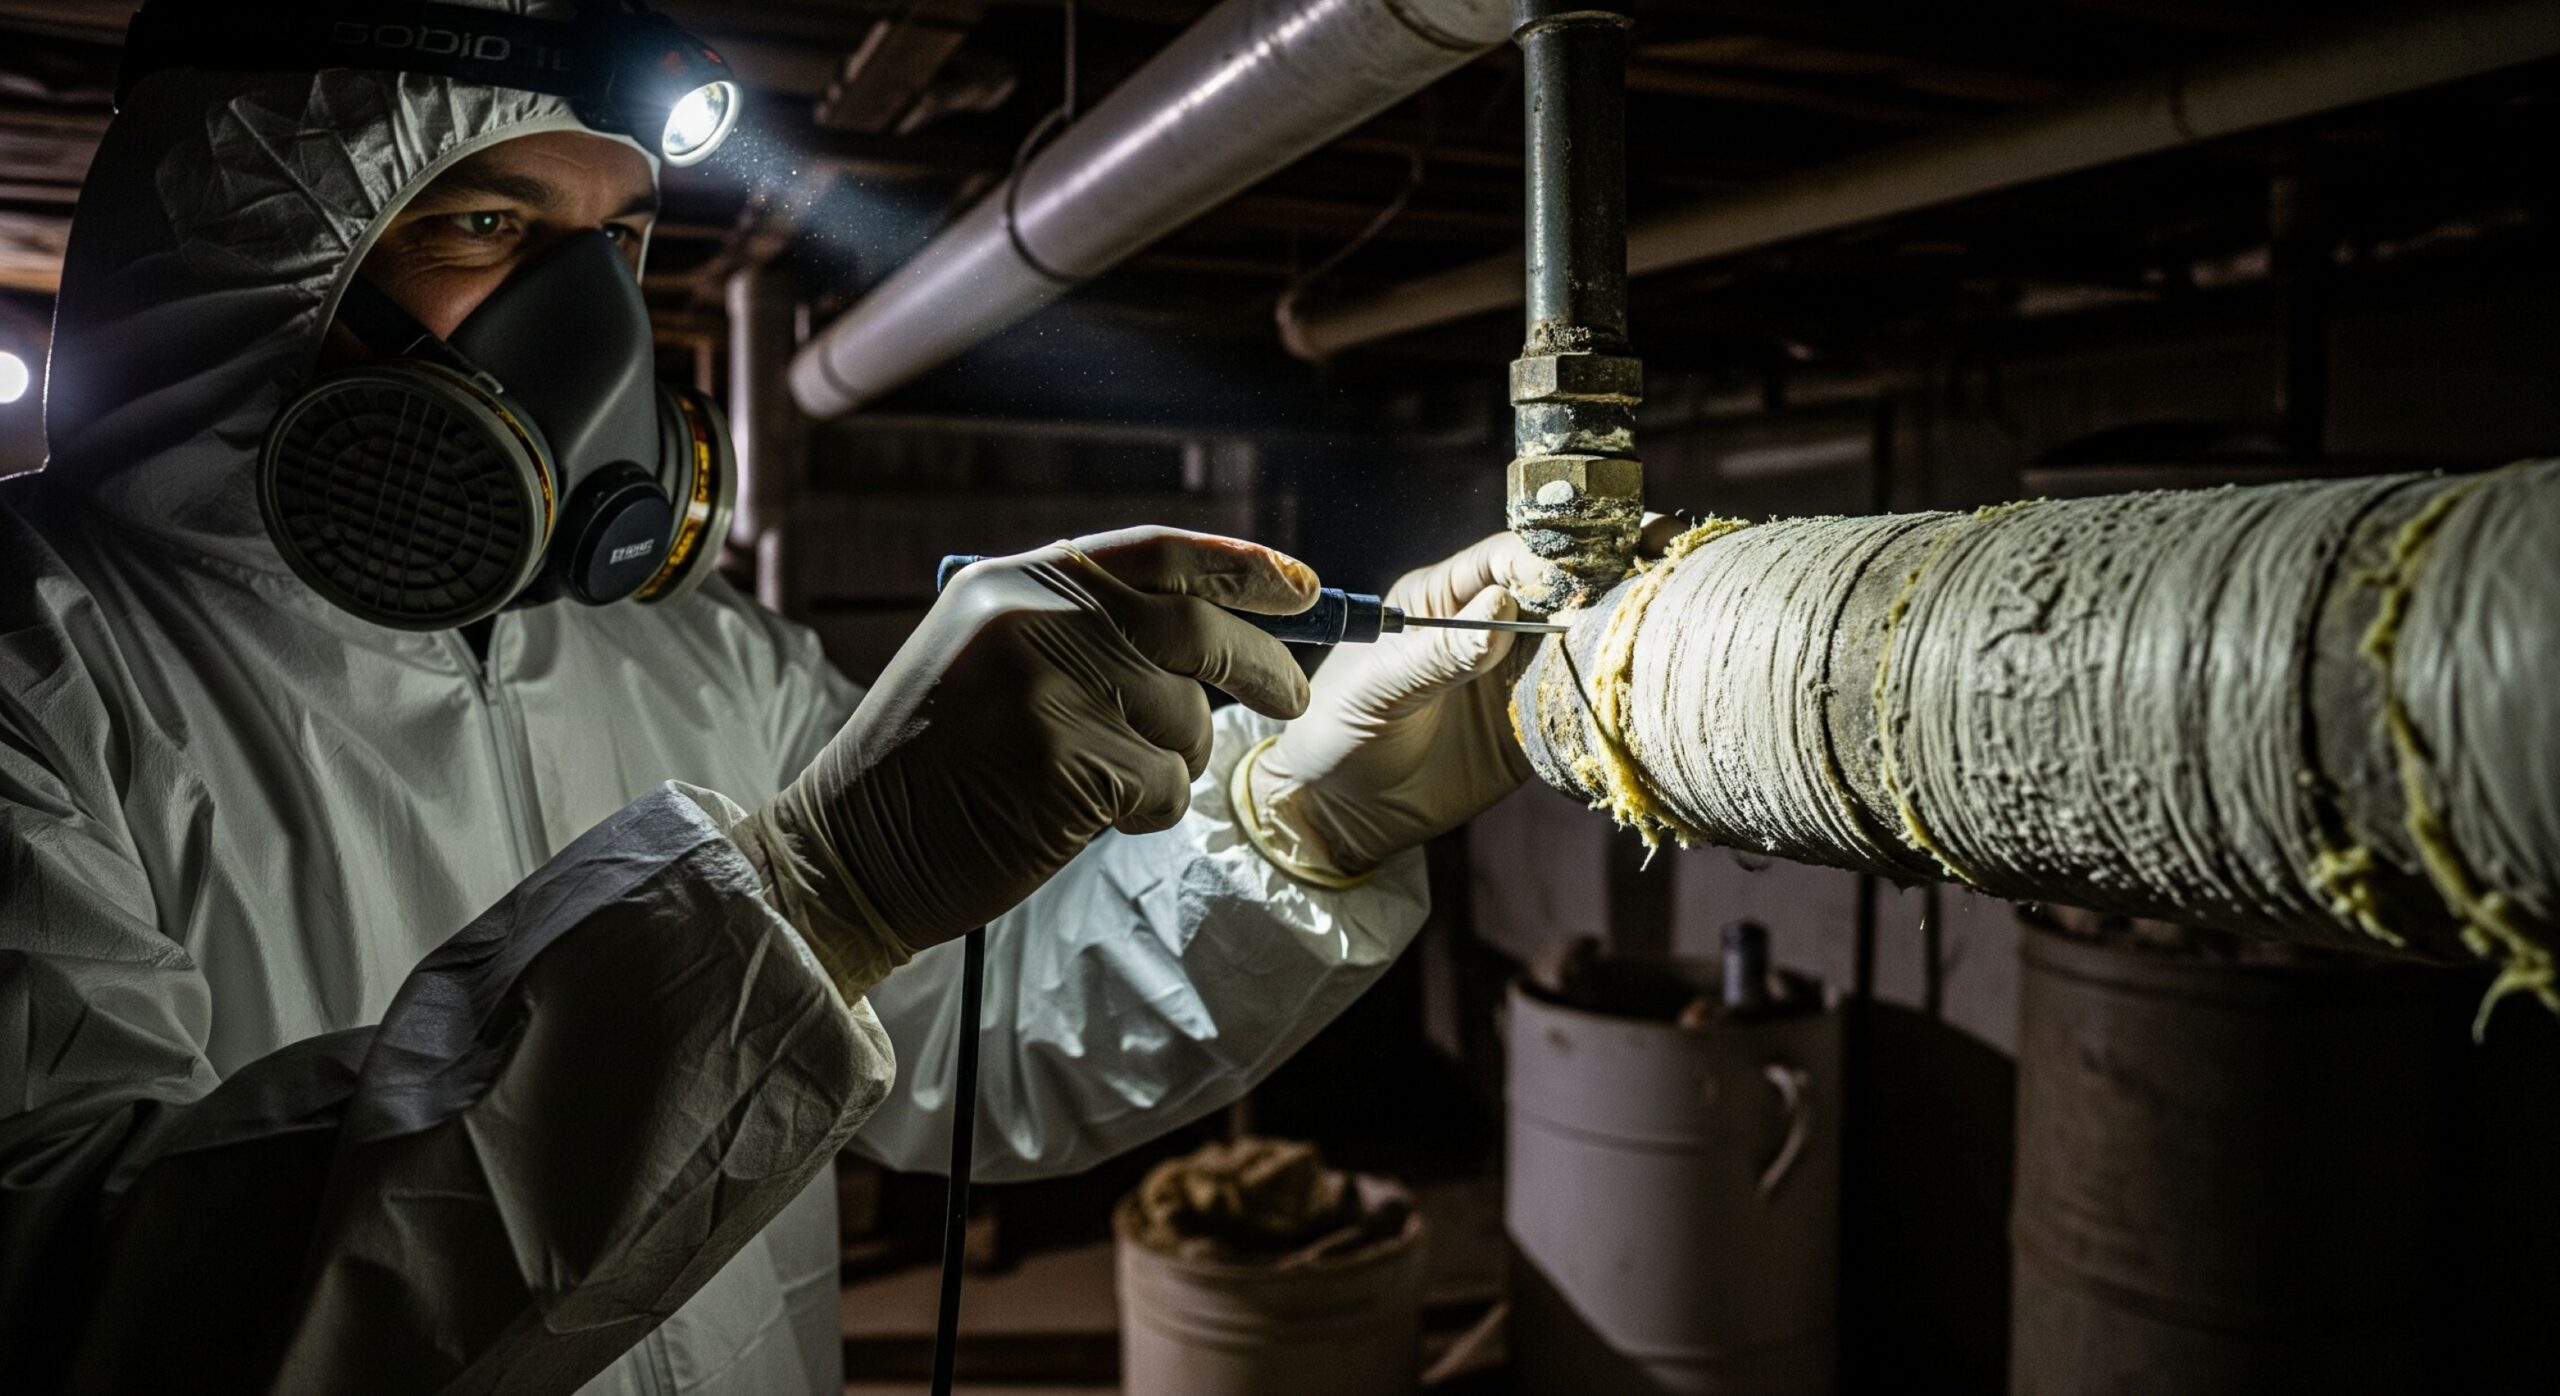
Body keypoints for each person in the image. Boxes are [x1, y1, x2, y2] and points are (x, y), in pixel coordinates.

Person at [0, 2, 1552, 1391]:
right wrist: (812, 897)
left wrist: (1288, 831)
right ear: (252, 271)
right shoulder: (39, 664)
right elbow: (107, 1315)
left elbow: (974, 1041)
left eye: (616, 247)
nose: (591, 339)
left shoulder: (694, 650)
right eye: (484, 225)